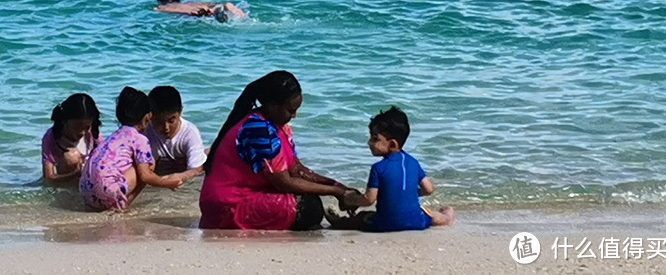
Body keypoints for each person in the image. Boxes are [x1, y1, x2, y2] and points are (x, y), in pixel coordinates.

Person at [199, 70, 353, 231]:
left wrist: (340, 187)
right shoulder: (258, 128)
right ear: (273, 106)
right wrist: (336, 192)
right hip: (226, 205)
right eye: (290, 110)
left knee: (309, 203)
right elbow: (284, 183)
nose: (294, 115)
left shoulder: (278, 125)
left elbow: (296, 169)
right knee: (308, 208)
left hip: (244, 195)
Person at [326, 106, 455, 231]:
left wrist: (351, 199)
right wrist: (408, 191)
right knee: (433, 216)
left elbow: (369, 200)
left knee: (361, 218)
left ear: (392, 144)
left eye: (375, 139)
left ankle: (337, 221)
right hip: (417, 222)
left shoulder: (378, 168)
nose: (369, 142)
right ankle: (448, 216)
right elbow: (429, 189)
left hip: (385, 224)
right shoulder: (413, 162)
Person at [79, 87, 186, 211]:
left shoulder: (113, 137)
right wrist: (168, 183)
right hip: (107, 191)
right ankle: (123, 205)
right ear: (148, 117)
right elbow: (145, 176)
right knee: (149, 163)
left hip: (85, 190)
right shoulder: (140, 139)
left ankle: (104, 204)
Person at [144, 85, 206, 178]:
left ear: (180, 112)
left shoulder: (189, 133)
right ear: (150, 117)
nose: (166, 127)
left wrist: (172, 178)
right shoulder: (146, 132)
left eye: (171, 121)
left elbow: (196, 170)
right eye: (159, 122)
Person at [41, 93, 102, 186]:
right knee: (71, 156)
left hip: (88, 179)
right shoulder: (52, 137)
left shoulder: (93, 134)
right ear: (64, 120)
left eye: (87, 127)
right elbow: (48, 177)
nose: (82, 132)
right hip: (67, 179)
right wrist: (74, 175)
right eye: (76, 126)